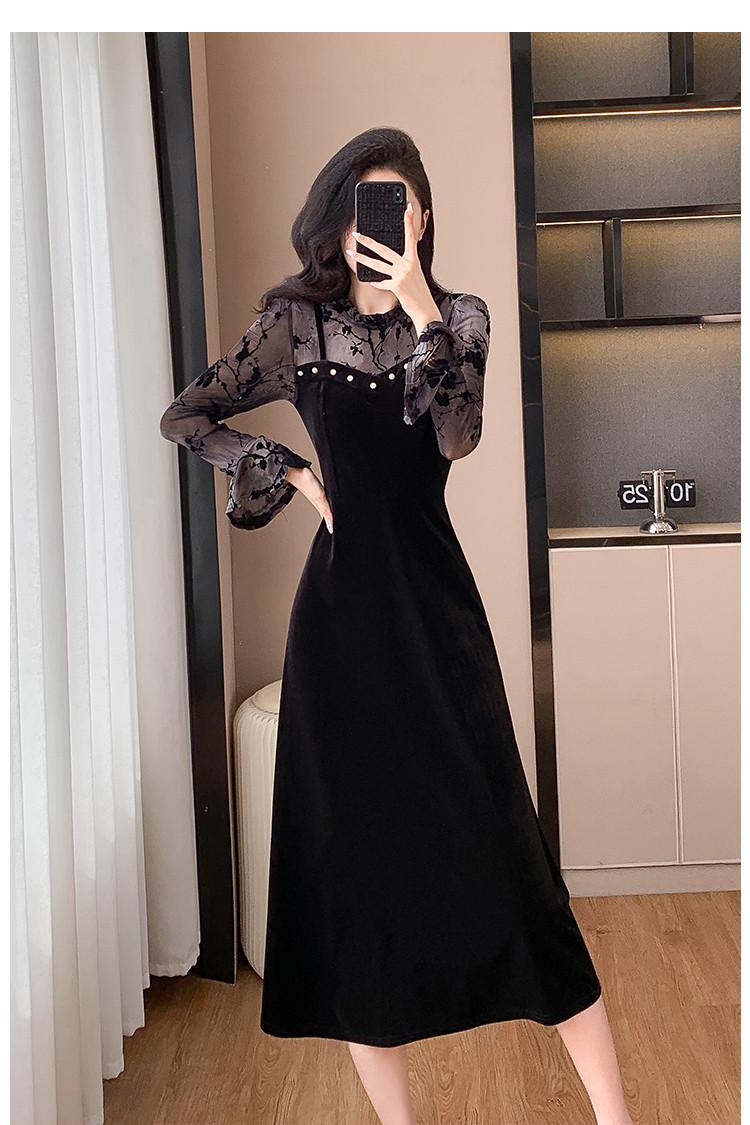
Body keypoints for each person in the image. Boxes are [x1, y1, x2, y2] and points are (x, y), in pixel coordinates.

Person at [160, 127, 635, 1125]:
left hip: (440, 624)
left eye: (397, 206)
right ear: (338, 221)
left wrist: (421, 308)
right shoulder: (295, 325)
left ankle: (616, 1118)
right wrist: (290, 472)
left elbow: (458, 434)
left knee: (516, 873)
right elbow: (188, 415)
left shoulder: (459, 319)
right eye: (362, 207)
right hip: (338, 633)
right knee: (356, 893)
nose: (377, 225)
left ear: (422, 218)